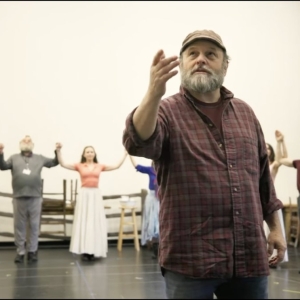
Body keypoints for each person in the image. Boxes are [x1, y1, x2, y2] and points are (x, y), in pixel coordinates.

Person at [122, 29, 286, 299]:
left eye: (211, 54)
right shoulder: (165, 111)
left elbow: (263, 182)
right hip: (191, 261)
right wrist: (153, 93)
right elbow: (138, 142)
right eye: (192, 54)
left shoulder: (245, 113)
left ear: (225, 65)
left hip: (248, 258)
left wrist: (276, 228)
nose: (201, 60)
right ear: (183, 63)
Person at [55, 143, 127, 261]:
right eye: (87, 151)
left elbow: (116, 166)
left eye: (91, 151)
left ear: (94, 154)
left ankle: (94, 249)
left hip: (95, 195)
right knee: (84, 220)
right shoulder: (79, 166)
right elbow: (63, 164)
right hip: (84, 195)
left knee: (94, 221)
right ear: (84, 154)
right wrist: (58, 151)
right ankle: (85, 249)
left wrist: (124, 154)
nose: (89, 153)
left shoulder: (100, 166)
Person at [0, 135, 59, 264]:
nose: (26, 141)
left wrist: (58, 151)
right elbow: (3, 166)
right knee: (19, 225)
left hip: (35, 197)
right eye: (24, 140)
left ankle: (32, 251)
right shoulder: (14, 158)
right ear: (20, 143)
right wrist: (0, 153)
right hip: (19, 196)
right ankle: (20, 252)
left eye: (29, 140)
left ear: (32, 144)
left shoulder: (40, 158)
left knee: (34, 225)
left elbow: (54, 162)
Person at [265, 130, 289, 267]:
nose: (267, 150)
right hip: (260, 198)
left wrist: (280, 142)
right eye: (265, 147)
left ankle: (274, 257)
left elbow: (282, 159)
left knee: (273, 228)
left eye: (269, 148)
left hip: (271, 198)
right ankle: (264, 256)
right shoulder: (259, 163)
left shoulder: (272, 165)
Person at [129, 155, 159, 259]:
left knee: (161, 223)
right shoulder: (151, 170)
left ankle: (163, 248)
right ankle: (156, 248)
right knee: (152, 223)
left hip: (162, 198)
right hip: (152, 199)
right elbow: (137, 166)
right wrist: (129, 154)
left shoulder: (166, 170)